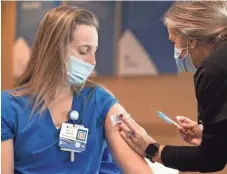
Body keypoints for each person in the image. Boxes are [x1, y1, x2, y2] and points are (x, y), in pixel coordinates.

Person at [1, 6, 153, 174]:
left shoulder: (99, 101)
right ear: (53, 49)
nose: (92, 61)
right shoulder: (8, 106)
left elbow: (137, 169)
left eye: (94, 51)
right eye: (83, 50)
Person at [118, 1, 227, 173]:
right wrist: (214, 135)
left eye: (173, 42)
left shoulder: (213, 69)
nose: (175, 51)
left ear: (190, 40)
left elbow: (211, 160)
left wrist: (152, 149)